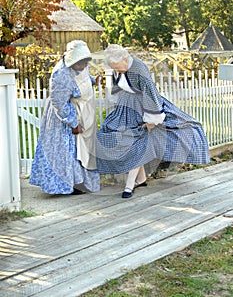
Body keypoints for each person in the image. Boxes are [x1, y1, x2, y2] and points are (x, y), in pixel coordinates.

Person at [96, 44, 210, 198]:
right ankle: (141, 179)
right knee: (116, 137)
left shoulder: (139, 68)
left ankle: (129, 185)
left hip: (144, 107)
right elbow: (118, 88)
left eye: (117, 67)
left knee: (137, 141)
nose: (117, 70)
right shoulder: (118, 69)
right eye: (114, 68)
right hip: (126, 108)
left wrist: (151, 120)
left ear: (125, 58)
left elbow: (150, 93)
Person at [30, 40, 100, 195]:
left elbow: (82, 79)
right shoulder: (61, 74)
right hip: (61, 117)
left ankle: (78, 183)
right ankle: (67, 185)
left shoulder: (80, 67)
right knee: (65, 151)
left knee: (79, 150)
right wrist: (73, 123)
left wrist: (94, 81)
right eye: (80, 63)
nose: (82, 67)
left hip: (75, 110)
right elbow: (59, 104)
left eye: (84, 63)